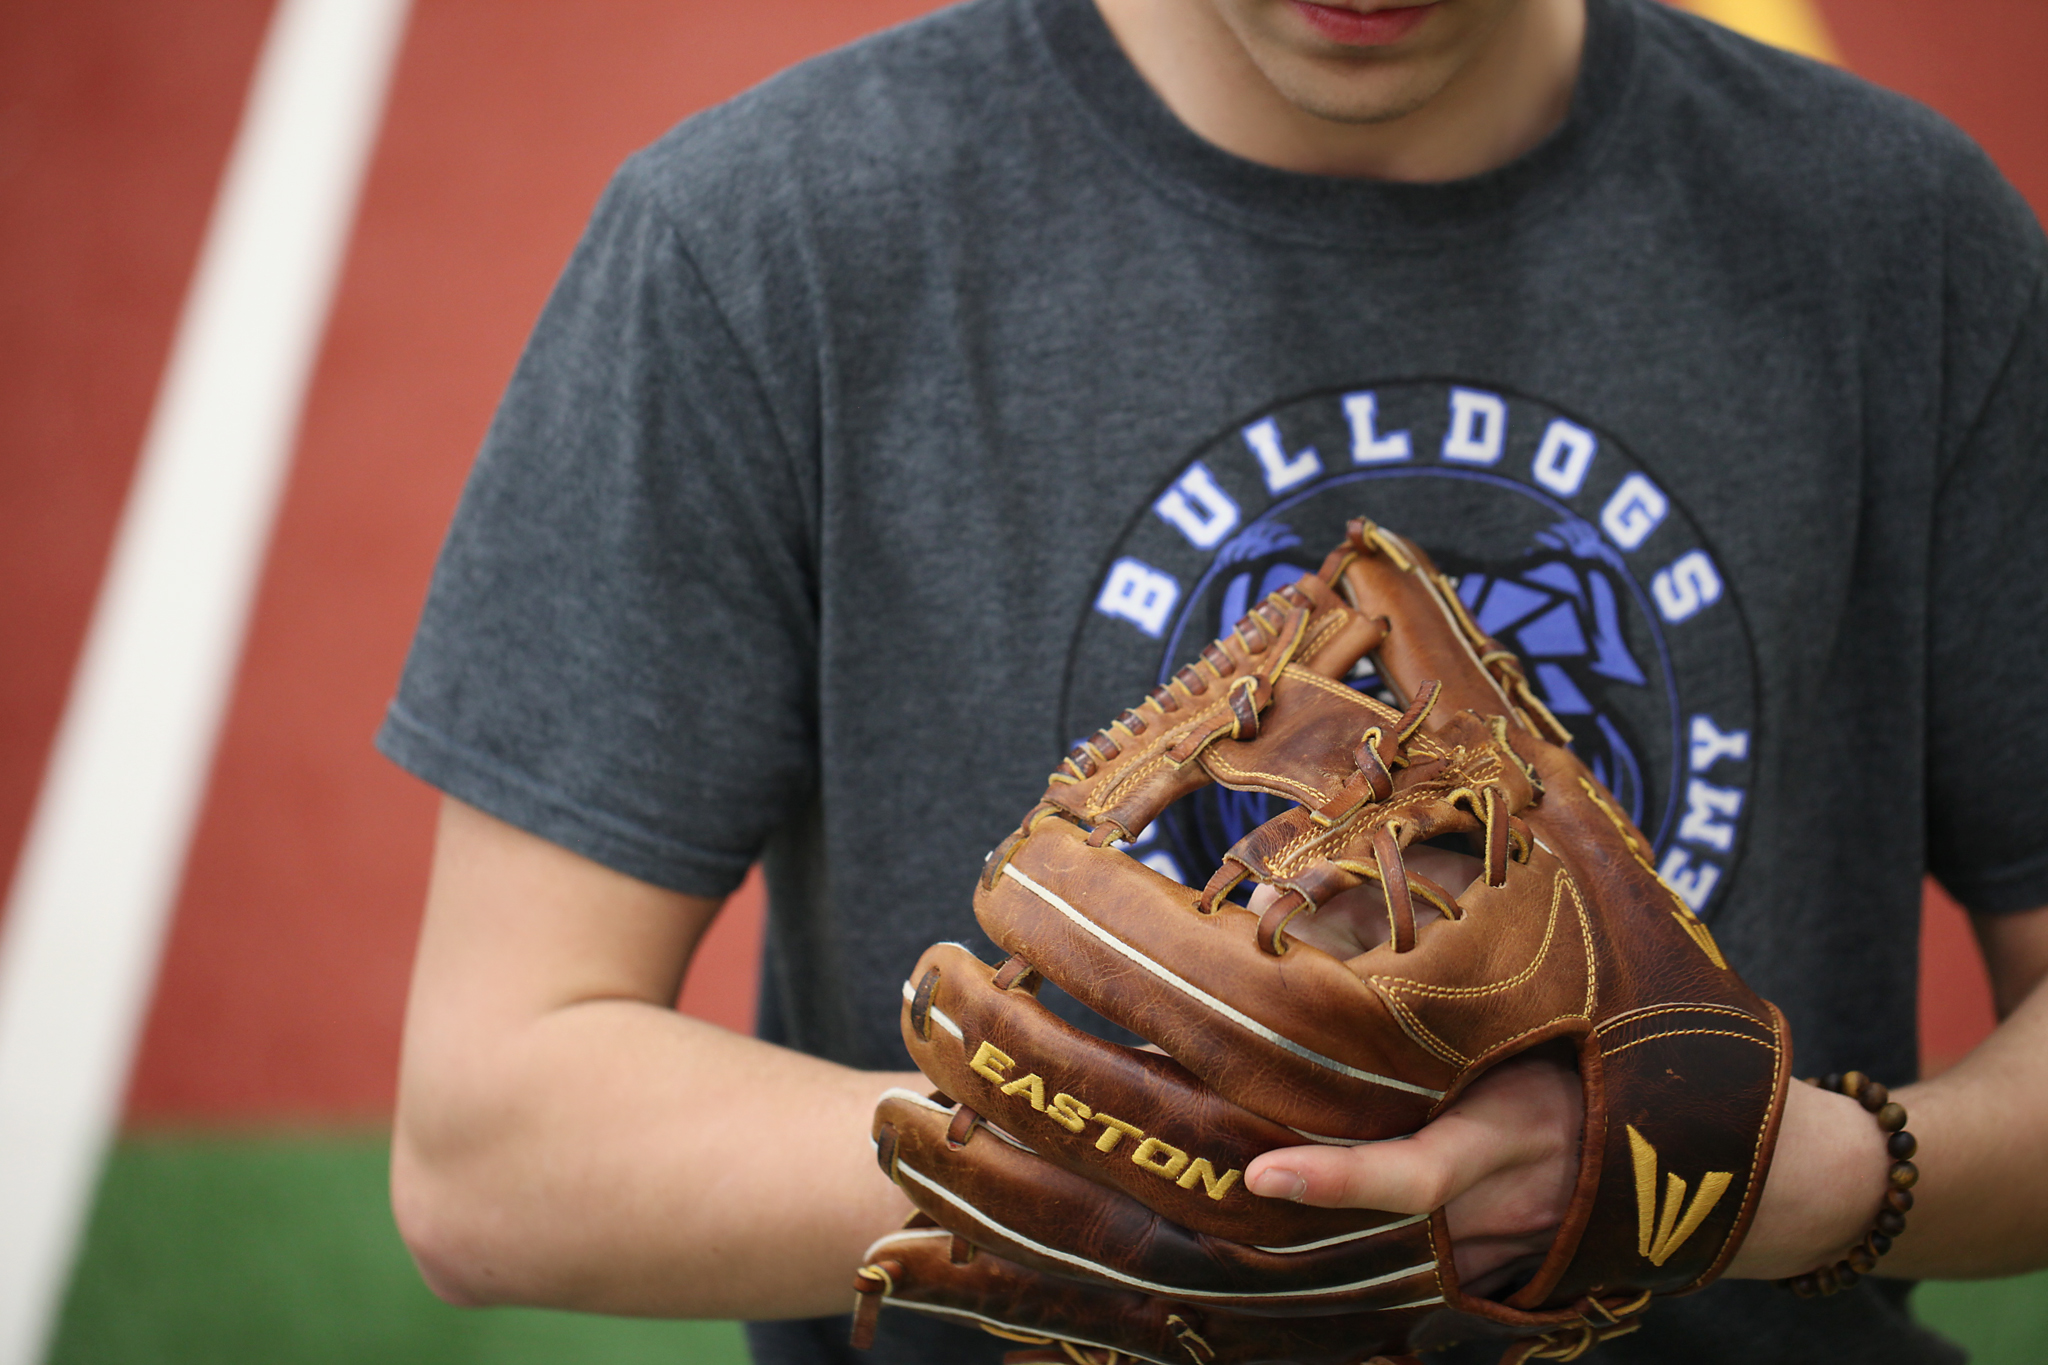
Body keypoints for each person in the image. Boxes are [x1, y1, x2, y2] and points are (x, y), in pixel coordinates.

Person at [376, 0, 2048, 1361]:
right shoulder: (764, 245)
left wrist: (1773, 1177)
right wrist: (1165, 1163)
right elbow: (491, 1142)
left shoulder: (1903, 242)